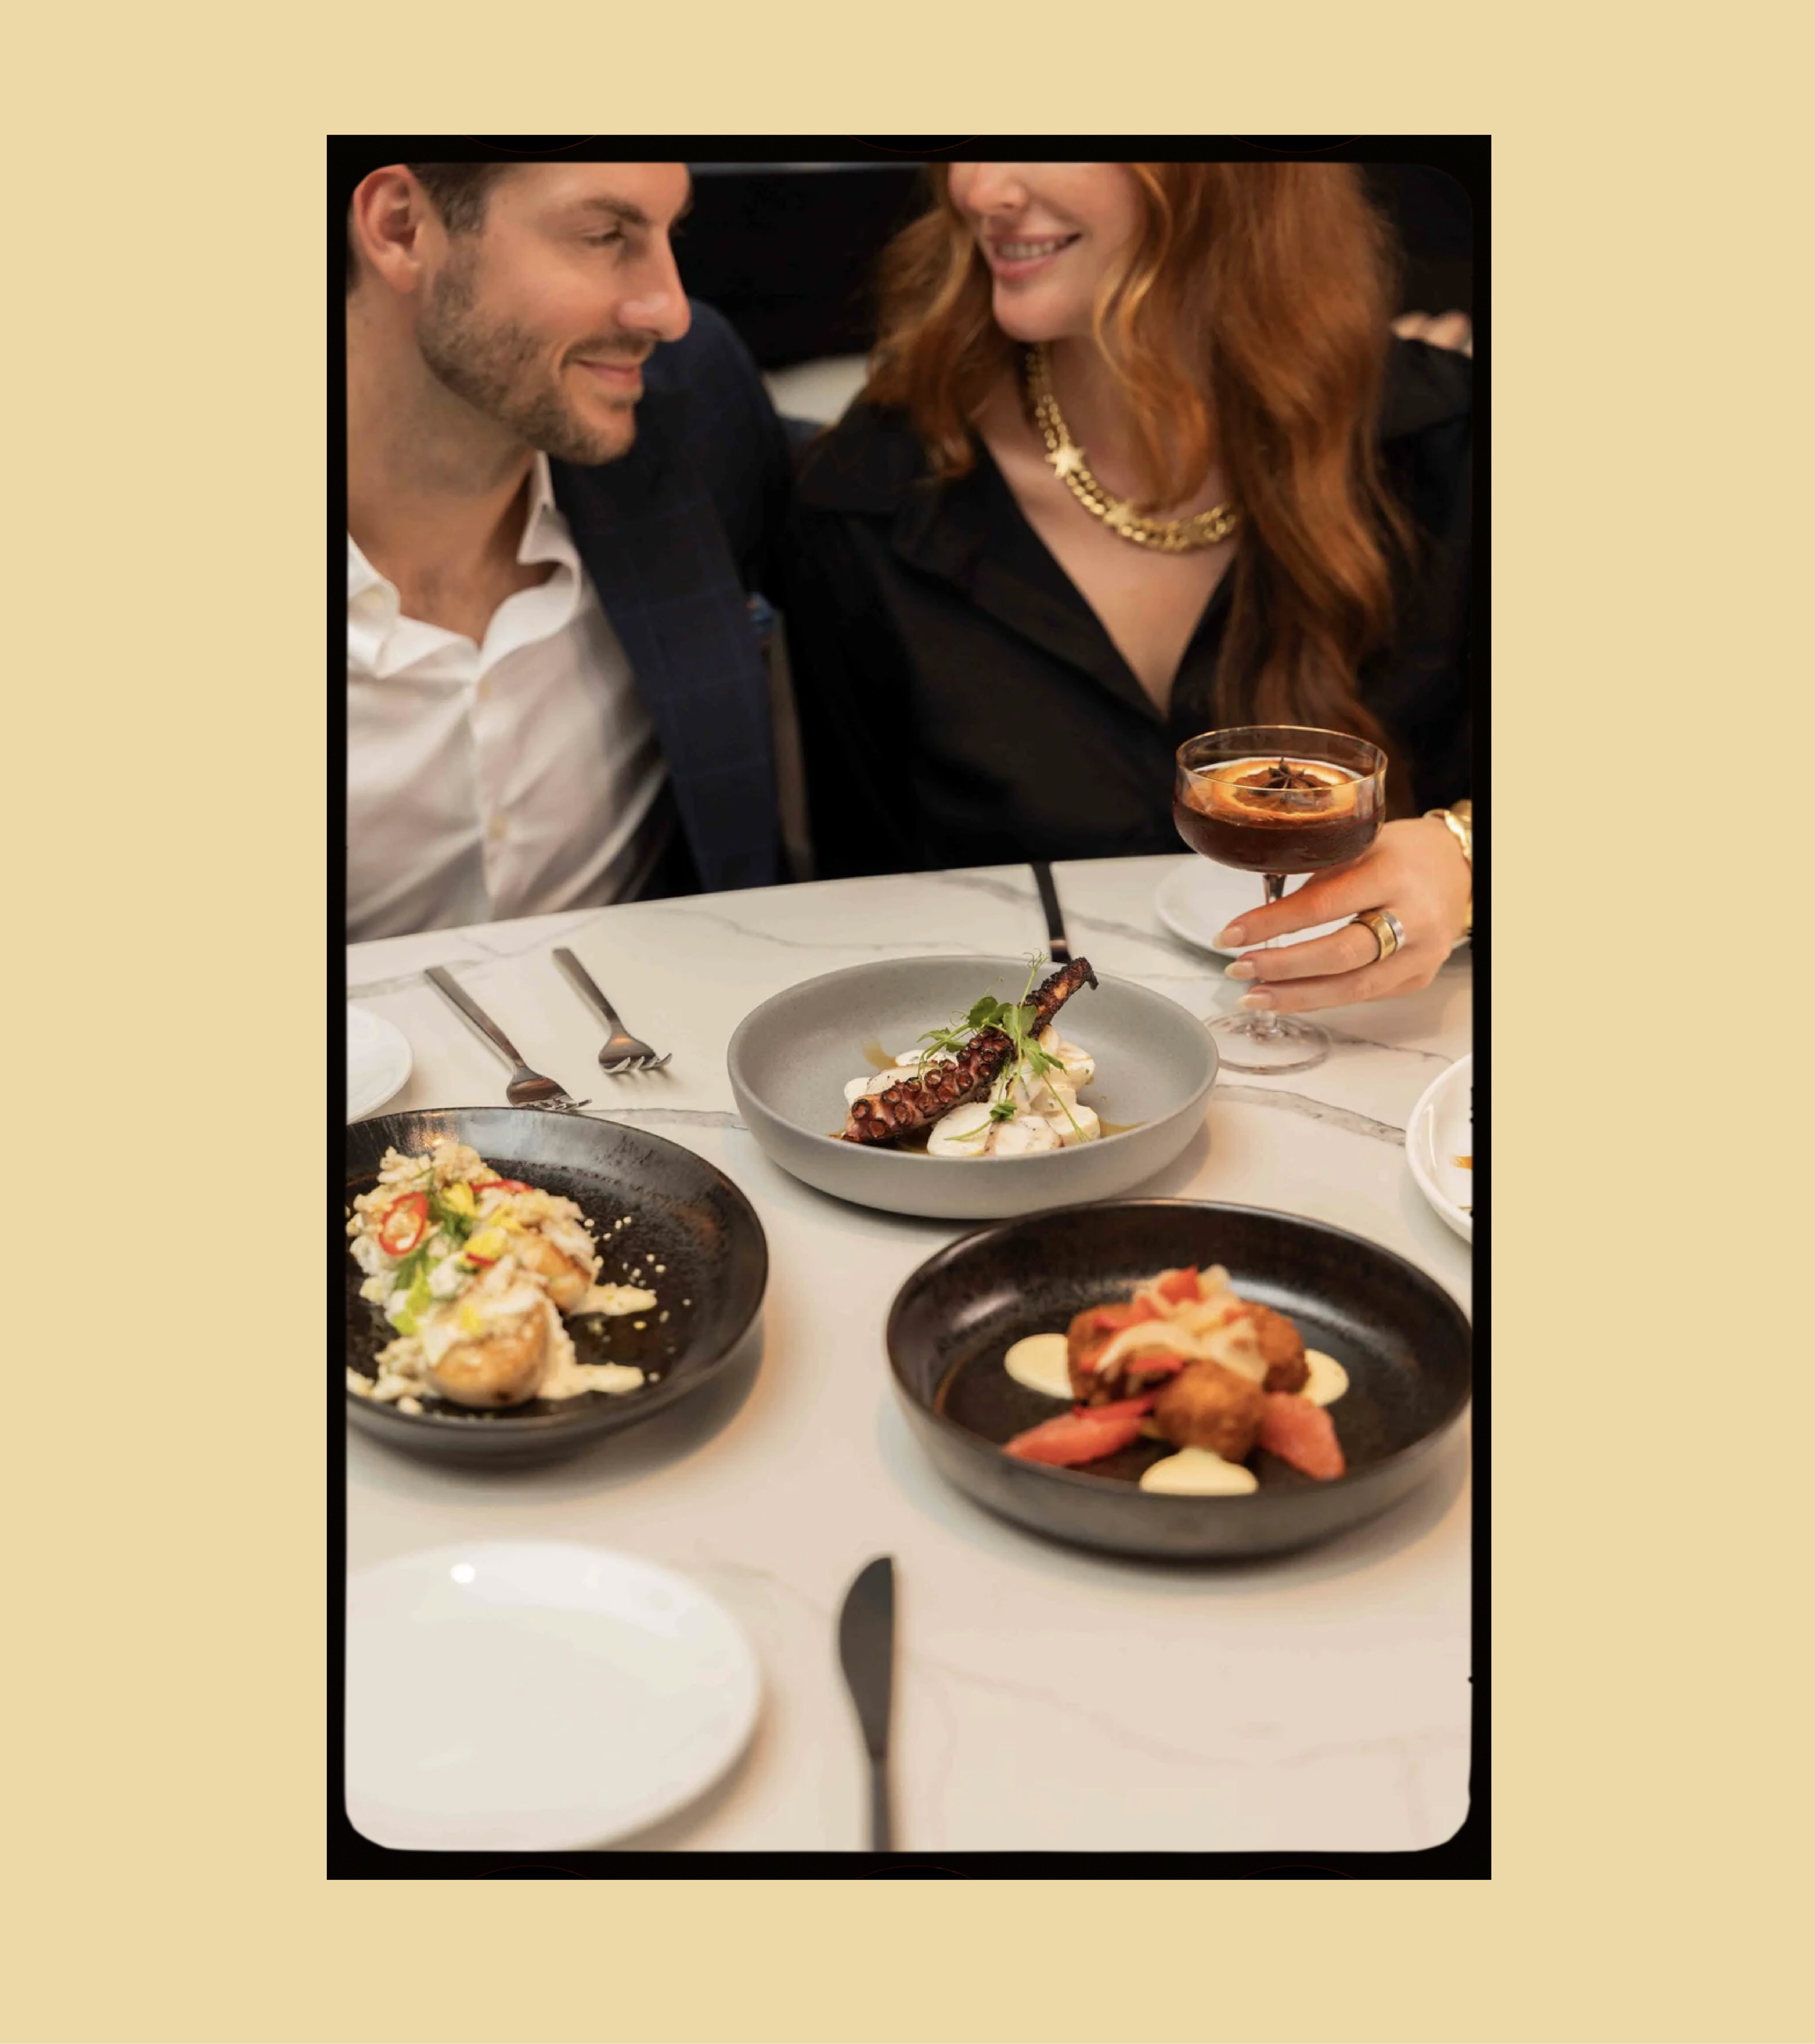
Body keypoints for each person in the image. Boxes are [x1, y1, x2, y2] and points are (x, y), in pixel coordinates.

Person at [780, 162, 1474, 1012]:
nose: (981, 189)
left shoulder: (1451, 444)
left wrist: (1467, 859)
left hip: (1405, 1063)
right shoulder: (866, 498)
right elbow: (854, 917)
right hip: (1036, 1074)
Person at [346, 161, 792, 941]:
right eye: (603, 235)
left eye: (671, 233)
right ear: (401, 227)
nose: (670, 311)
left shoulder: (691, 405)